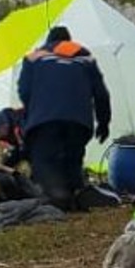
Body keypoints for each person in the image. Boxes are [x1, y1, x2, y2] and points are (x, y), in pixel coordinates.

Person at [17, 25, 112, 211]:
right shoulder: (85, 57)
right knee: (72, 158)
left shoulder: (33, 57)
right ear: (69, 41)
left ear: (49, 41)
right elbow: (101, 93)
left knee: (44, 159)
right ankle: (74, 195)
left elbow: (24, 91)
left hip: (44, 119)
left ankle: (57, 194)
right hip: (79, 120)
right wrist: (103, 122)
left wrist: (32, 111)